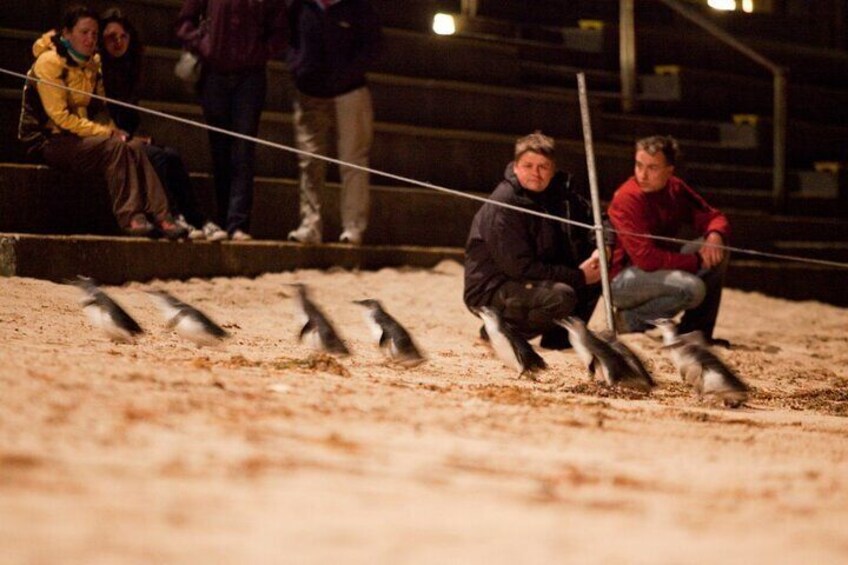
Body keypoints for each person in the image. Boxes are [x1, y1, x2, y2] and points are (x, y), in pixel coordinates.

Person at [18, 5, 187, 240]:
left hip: (79, 136)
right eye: (84, 32)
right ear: (67, 33)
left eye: (94, 34)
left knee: (134, 147)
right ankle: (130, 216)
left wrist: (115, 131)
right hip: (48, 139)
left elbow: (99, 109)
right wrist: (107, 134)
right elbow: (60, 117)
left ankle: (162, 216)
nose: (90, 39)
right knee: (116, 147)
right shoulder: (50, 62)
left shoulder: (92, 64)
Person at [464, 132, 602, 350]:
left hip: (531, 277)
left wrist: (602, 250)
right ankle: (499, 332)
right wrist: (579, 276)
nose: (535, 173)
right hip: (493, 287)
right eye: (528, 166)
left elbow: (599, 219)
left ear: (552, 169)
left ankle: (558, 340)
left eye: (543, 167)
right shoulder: (505, 203)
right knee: (561, 297)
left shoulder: (559, 193)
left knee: (596, 275)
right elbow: (519, 267)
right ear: (516, 166)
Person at [99, 8, 227, 241]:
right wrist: (127, 137)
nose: (118, 42)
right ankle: (173, 216)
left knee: (171, 155)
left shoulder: (129, 69)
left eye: (122, 36)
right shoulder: (98, 70)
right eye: (110, 37)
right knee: (157, 157)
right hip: (110, 139)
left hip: (127, 136)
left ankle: (198, 219)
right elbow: (100, 117)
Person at [176, 0, 288, 241]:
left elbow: (280, 29)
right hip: (214, 74)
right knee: (220, 148)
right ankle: (223, 218)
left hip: (250, 76)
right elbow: (185, 20)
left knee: (243, 149)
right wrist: (205, 45)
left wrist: (260, 52)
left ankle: (237, 223)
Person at [607, 135, 731, 345]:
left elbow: (712, 216)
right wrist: (696, 262)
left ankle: (695, 332)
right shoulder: (628, 197)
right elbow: (645, 259)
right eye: (639, 165)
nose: (642, 175)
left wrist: (715, 235)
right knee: (692, 288)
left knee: (718, 249)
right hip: (622, 279)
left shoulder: (675, 188)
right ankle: (631, 320)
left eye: (652, 168)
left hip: (658, 267)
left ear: (669, 171)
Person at [285, 0, 383, 246]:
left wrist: (346, 74)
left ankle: (353, 227)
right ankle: (310, 225)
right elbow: (286, 37)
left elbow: (373, 46)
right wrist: (297, 66)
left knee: (352, 160)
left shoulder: (359, 8)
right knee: (309, 160)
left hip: (349, 91)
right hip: (309, 91)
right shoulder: (300, 6)